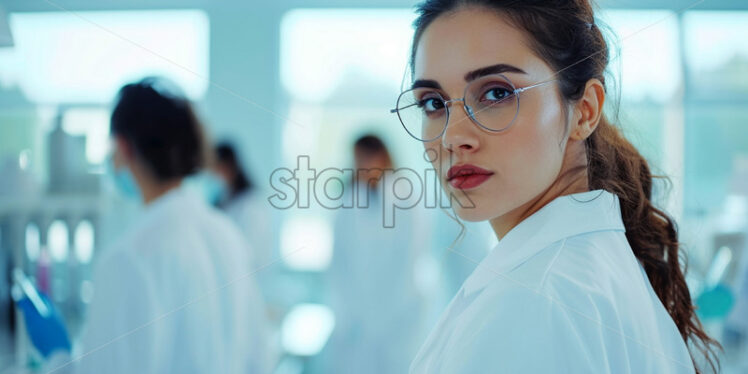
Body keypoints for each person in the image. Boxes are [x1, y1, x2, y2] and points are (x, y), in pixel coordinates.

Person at [390, 1, 721, 373]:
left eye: (496, 94)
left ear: (585, 111)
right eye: (433, 103)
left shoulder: (531, 304)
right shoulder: (584, 271)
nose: (452, 137)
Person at [16, 77, 270, 373]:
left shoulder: (130, 257)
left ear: (124, 147)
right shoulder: (228, 235)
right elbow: (259, 357)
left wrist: (58, 358)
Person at [322, 134, 430, 374]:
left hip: (398, 313)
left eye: (365, 157)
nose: (361, 164)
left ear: (382, 157)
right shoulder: (348, 199)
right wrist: (344, 307)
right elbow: (339, 259)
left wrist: (394, 309)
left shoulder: (405, 198)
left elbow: (410, 256)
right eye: (357, 158)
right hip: (355, 318)